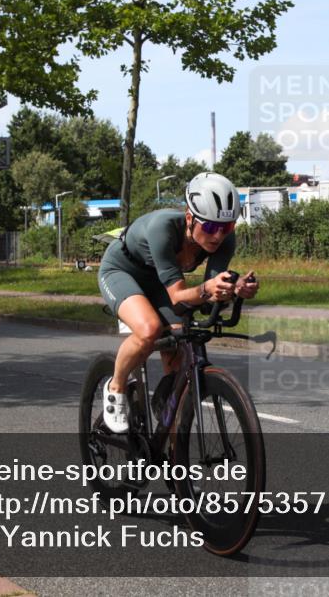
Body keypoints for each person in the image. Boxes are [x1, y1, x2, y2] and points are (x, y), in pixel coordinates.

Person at [96, 172, 259, 433]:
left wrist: (234, 290)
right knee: (149, 329)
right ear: (189, 218)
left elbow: (208, 296)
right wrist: (207, 288)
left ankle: (170, 447)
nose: (218, 235)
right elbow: (178, 296)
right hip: (122, 272)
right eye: (209, 227)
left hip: (161, 282)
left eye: (226, 227)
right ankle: (115, 387)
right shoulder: (162, 229)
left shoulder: (224, 240)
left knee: (181, 339)